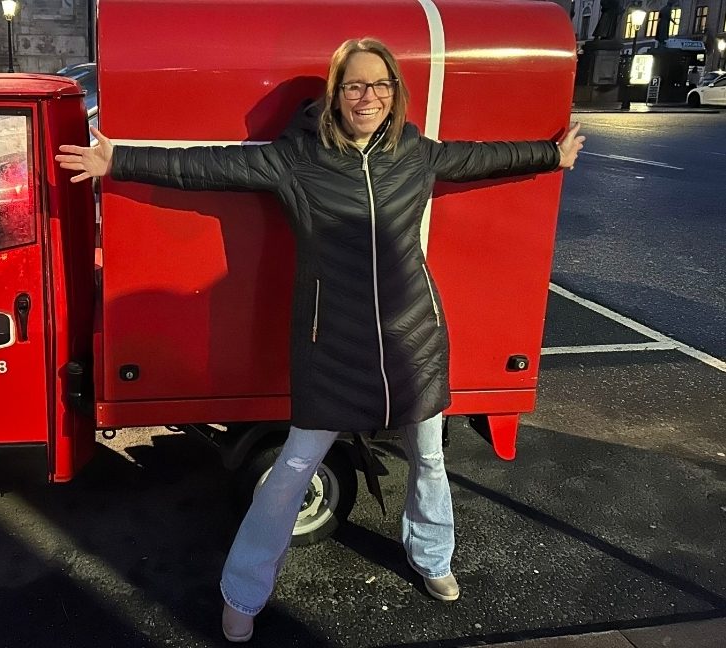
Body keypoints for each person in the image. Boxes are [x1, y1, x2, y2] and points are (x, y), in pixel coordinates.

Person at [57, 37, 584, 643]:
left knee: (430, 458)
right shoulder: (297, 158)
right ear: (335, 95)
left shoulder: (414, 153)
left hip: (413, 337)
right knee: (293, 468)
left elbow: (480, 158)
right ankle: (243, 592)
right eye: (355, 85)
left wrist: (551, 154)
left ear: (395, 93)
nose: (368, 97)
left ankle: (433, 558)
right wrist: (118, 160)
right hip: (330, 343)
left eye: (380, 85)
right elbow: (209, 166)